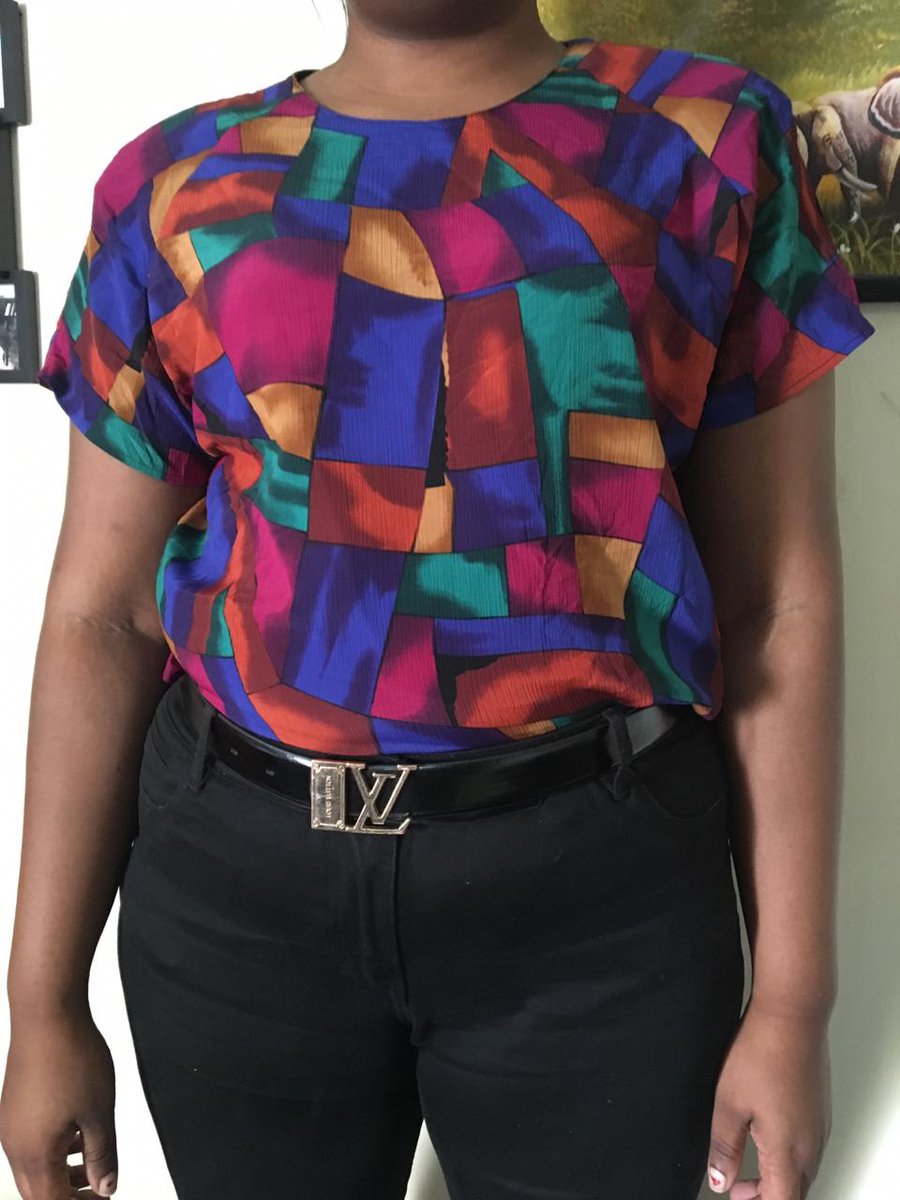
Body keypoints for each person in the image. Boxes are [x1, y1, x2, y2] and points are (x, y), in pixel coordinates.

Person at [0, 2, 877, 1197]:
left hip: (597, 904)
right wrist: (42, 999)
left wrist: (794, 1001)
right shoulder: (174, 184)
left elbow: (775, 599)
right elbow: (102, 616)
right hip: (236, 896)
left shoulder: (707, 142)